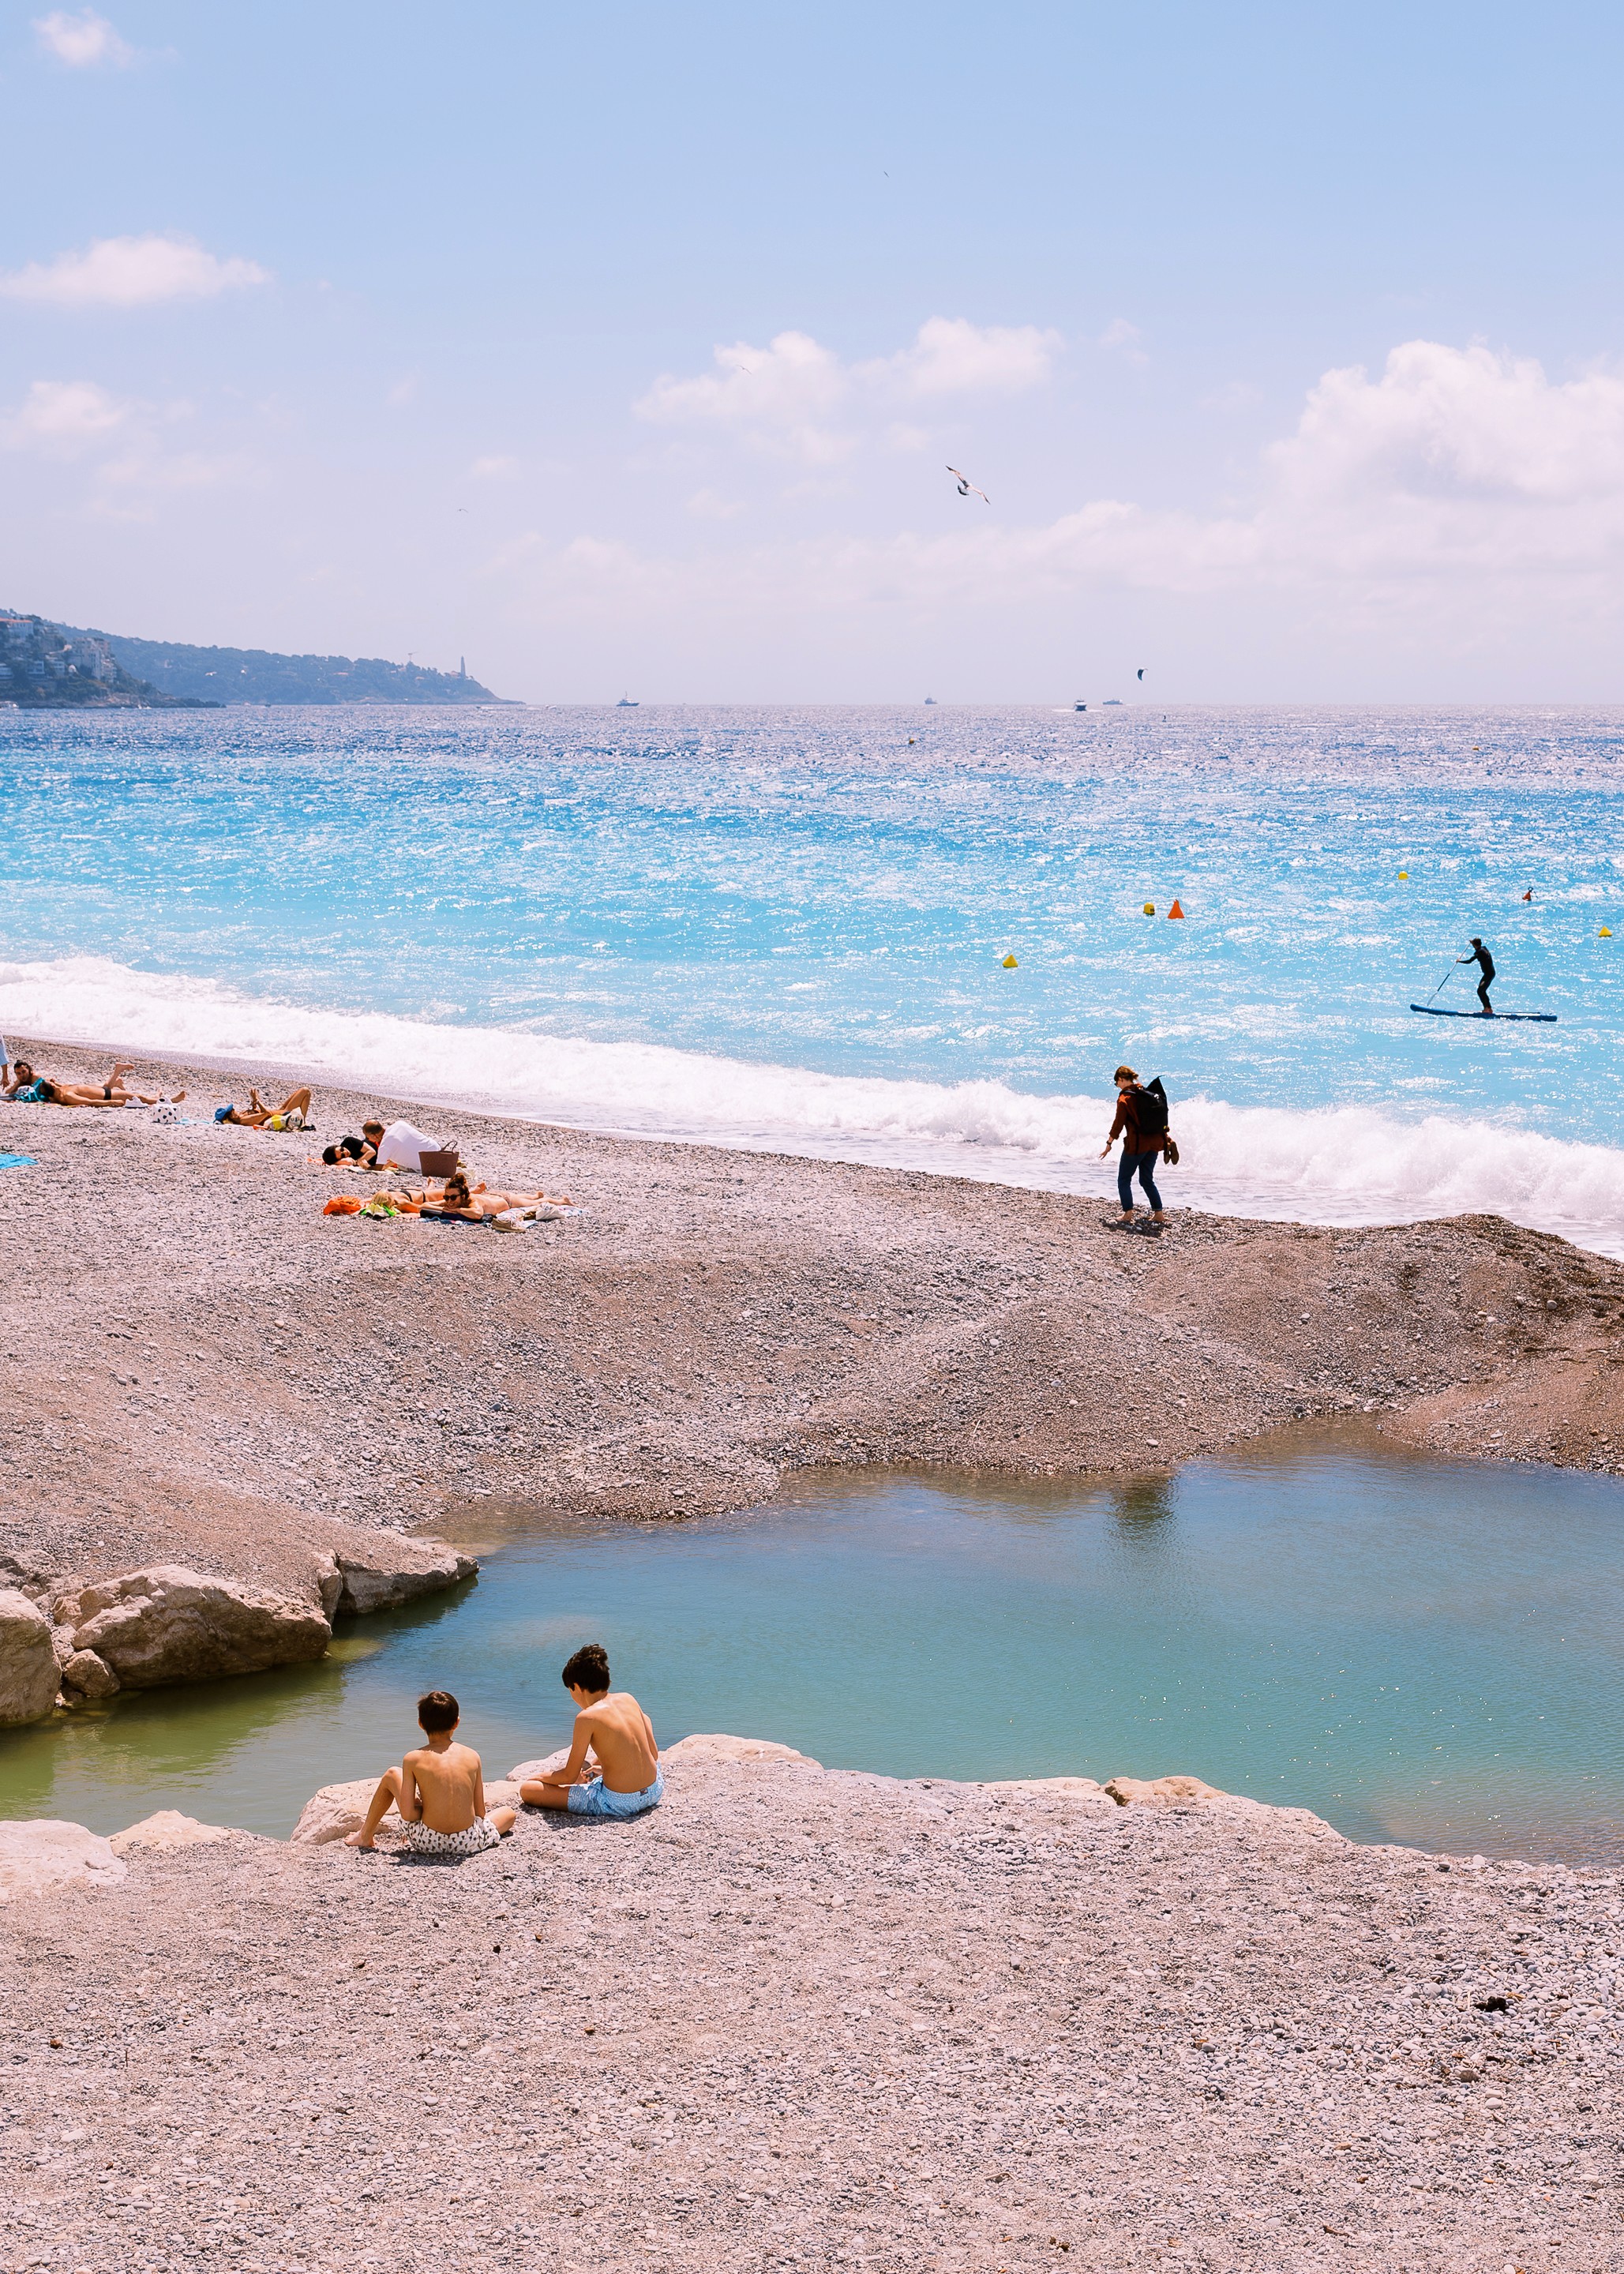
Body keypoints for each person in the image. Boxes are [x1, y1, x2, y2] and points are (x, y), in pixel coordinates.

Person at [344, 1689, 517, 1856]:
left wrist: (428, 1809)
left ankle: (364, 1836)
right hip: (467, 1841)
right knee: (508, 1812)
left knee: (392, 1774)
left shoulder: (413, 1758)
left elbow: (408, 1814)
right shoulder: (473, 1756)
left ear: (420, 1723)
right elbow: (480, 1813)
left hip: (427, 1841)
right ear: (457, 1722)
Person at [519, 1643, 663, 1818]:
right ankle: (593, 1774)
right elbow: (654, 1754)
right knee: (642, 1719)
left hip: (620, 1802)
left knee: (528, 1789)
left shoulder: (587, 1717)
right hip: (654, 1790)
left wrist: (538, 1777)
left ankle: (589, 1779)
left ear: (577, 1687)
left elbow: (568, 1777)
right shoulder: (628, 1698)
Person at [1101, 1062, 1167, 1227]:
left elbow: (1118, 1124)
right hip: (1154, 1143)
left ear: (1122, 1079)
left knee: (1123, 1179)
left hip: (1137, 1145)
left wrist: (1109, 1143)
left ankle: (1127, 1214)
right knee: (1146, 1179)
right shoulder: (1146, 1093)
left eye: (1117, 1082)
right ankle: (1159, 1214)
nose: (1117, 1086)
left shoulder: (1125, 1098)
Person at [214, 1086, 313, 1129]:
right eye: (232, 1110)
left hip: (280, 1110)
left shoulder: (241, 1116)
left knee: (300, 1092)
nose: (234, 1110)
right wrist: (257, 1100)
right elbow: (266, 1114)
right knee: (305, 1091)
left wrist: (254, 1102)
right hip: (283, 1114)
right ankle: (302, 1123)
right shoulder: (243, 1120)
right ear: (231, 1116)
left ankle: (302, 1121)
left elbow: (258, 1113)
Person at [1458, 936, 1496, 1014]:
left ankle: (1487, 1009)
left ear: (1474, 945)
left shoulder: (1479, 952)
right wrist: (1473, 942)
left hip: (1489, 974)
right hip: (1490, 973)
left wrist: (1459, 961)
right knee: (1482, 990)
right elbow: (1478, 948)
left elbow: (1469, 961)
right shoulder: (1483, 949)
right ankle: (1489, 1009)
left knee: (1480, 991)